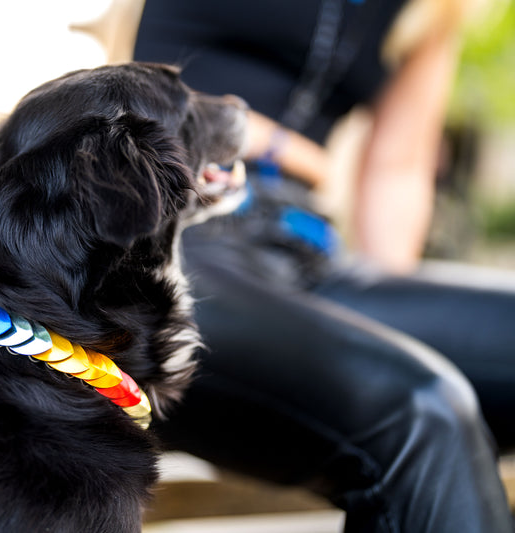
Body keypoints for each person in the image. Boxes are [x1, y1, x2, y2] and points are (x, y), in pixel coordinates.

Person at [129, 0, 515, 531]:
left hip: (305, 250)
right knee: (423, 408)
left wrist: (390, 334)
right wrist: (293, 150)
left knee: (429, 380)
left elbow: (397, 169)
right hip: (175, 236)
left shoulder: (432, 9)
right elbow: (129, 92)